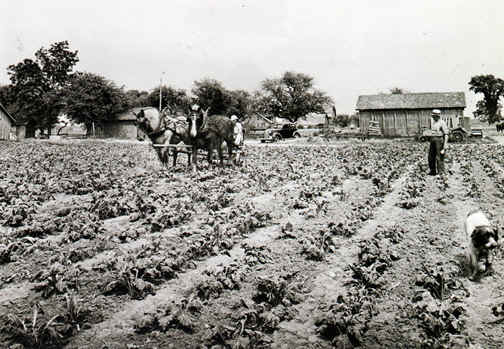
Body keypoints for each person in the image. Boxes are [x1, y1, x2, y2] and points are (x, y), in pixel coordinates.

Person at [428, 109, 449, 175]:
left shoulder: (442, 123)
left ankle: (441, 172)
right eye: (433, 116)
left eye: (435, 116)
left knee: (439, 157)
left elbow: (446, 134)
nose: (433, 117)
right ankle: (433, 171)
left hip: (439, 141)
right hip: (432, 141)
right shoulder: (432, 122)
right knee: (431, 157)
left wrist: (445, 144)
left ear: (438, 116)